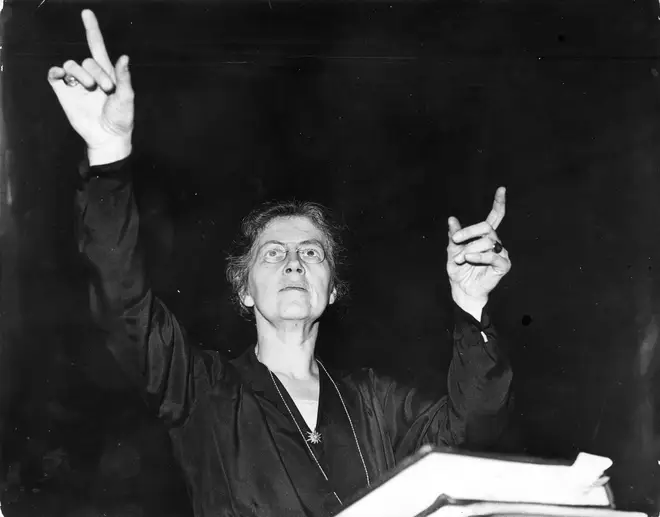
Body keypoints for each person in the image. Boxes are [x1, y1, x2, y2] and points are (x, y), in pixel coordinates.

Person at [47, 10, 513, 517]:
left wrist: (471, 302)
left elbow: (470, 434)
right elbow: (123, 306)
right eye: (273, 254)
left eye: (312, 253)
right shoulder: (201, 389)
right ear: (244, 289)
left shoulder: (377, 403)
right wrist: (108, 152)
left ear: (332, 289)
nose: (294, 262)